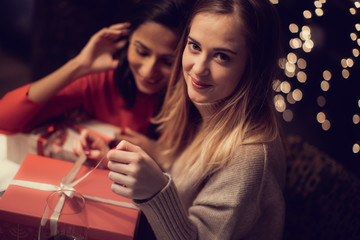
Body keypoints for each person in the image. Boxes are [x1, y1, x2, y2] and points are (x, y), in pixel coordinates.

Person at [106, 0, 287, 239]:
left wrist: (155, 192)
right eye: (194, 46)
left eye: (222, 56)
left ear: (253, 67)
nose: (199, 68)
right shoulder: (209, 111)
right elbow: (190, 186)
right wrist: (150, 156)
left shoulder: (250, 159)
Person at [0, 0, 193, 160]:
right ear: (127, 40)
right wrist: (79, 65)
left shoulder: (194, 98)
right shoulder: (103, 81)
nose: (148, 70)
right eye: (141, 51)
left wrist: (163, 155)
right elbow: (5, 119)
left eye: (168, 61)